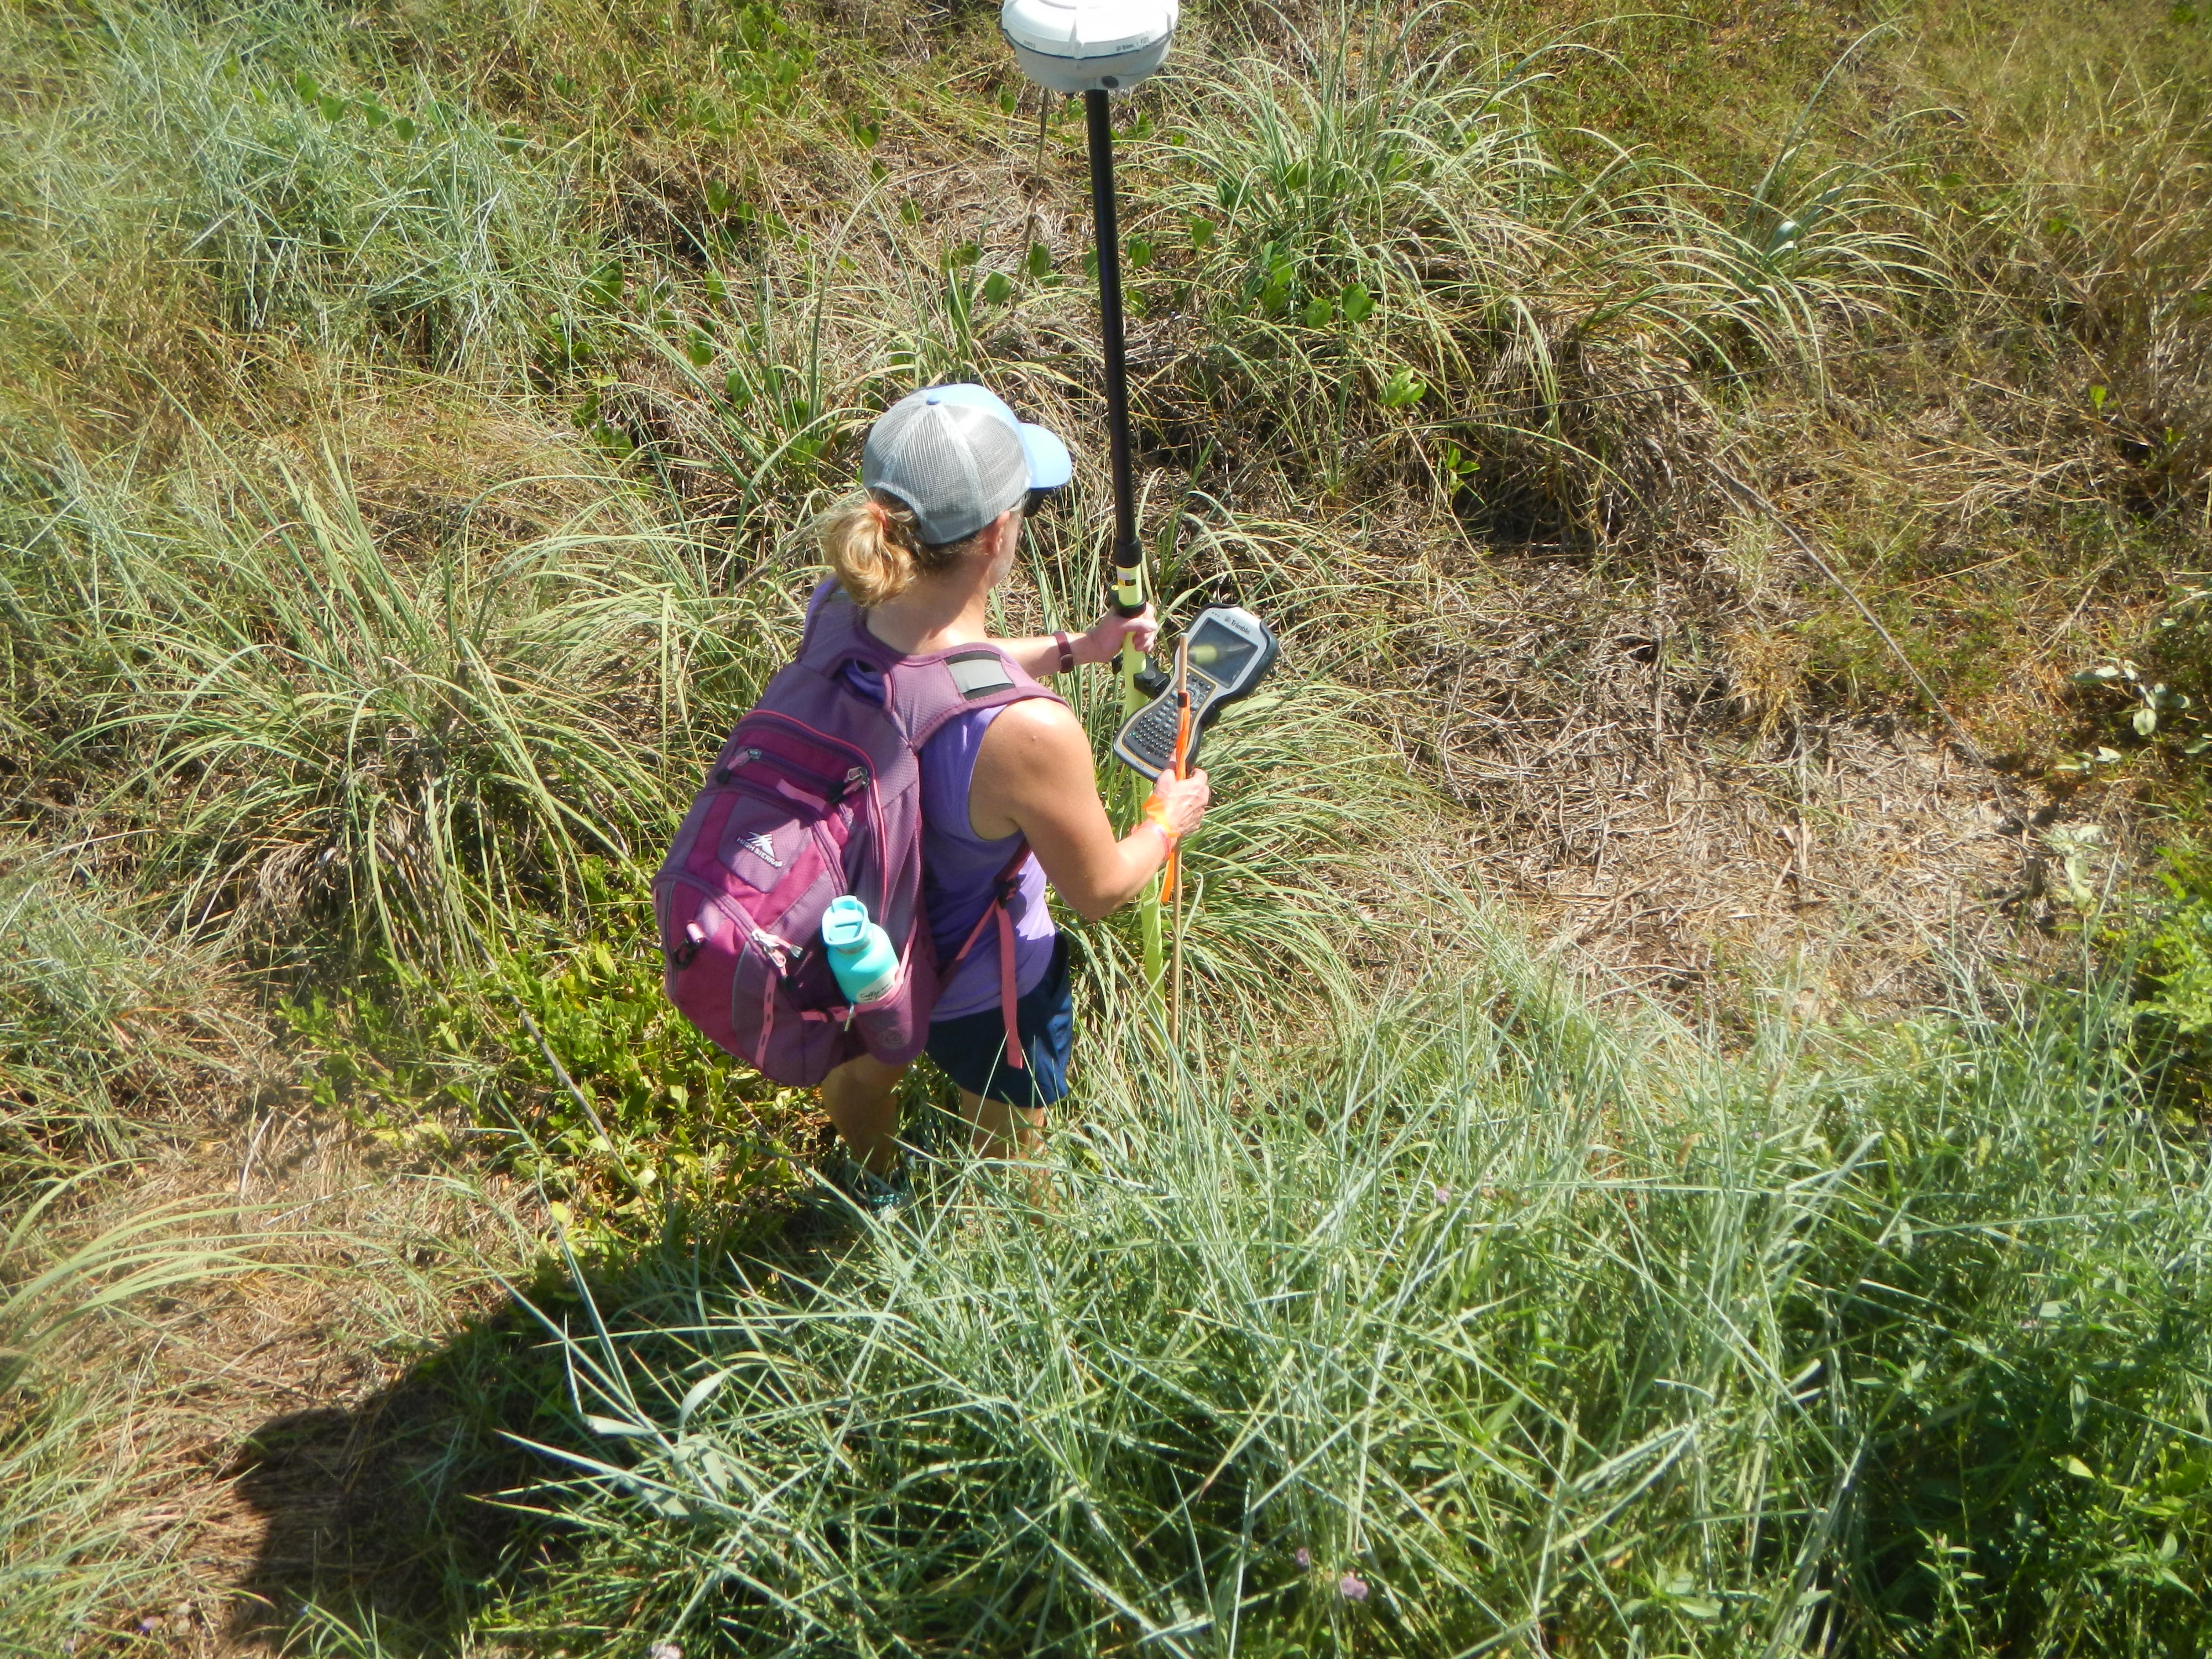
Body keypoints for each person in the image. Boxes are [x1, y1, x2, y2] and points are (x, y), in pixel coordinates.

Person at [810, 384, 1210, 1208]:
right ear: (999, 533)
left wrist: (1076, 648)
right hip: (979, 980)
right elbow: (1098, 891)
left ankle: (876, 1188)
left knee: (860, 1073)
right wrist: (1167, 819)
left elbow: (936, 667)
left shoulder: (836, 610)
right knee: (1009, 1139)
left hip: (853, 936)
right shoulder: (1030, 734)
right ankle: (1022, 1247)